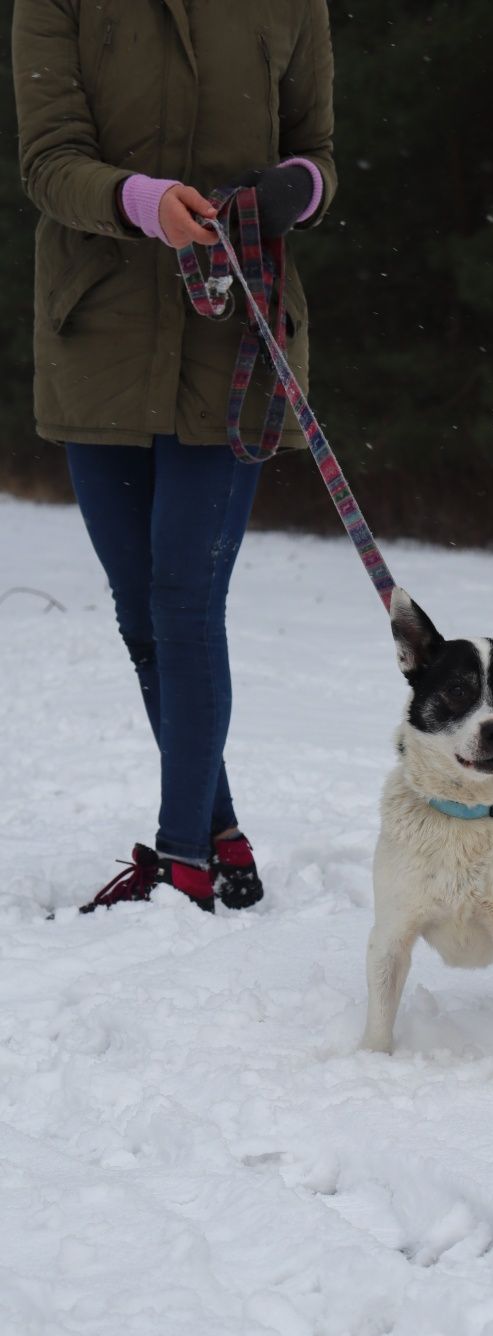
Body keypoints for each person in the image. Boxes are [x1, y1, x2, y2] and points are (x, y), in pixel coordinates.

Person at [12, 0, 336, 914]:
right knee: (143, 614)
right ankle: (223, 834)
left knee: (186, 601)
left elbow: (323, 157)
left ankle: (184, 858)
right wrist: (140, 200)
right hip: (99, 340)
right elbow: (47, 163)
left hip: (236, 333)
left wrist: (289, 192)